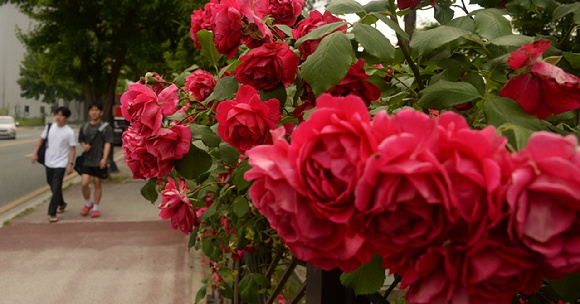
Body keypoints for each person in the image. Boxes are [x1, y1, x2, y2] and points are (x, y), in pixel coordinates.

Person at [31, 107, 76, 223]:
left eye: (61, 115)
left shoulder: (69, 132)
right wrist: (35, 153)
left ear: (66, 118)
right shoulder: (50, 127)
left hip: (61, 164)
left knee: (56, 188)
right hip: (48, 161)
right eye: (57, 114)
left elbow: (72, 149)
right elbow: (41, 141)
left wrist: (70, 164)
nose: (58, 117)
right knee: (52, 185)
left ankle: (52, 212)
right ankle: (61, 203)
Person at [78, 102, 113, 218]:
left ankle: (96, 208)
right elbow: (81, 139)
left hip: (99, 160)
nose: (94, 112)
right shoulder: (85, 126)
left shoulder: (106, 127)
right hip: (87, 160)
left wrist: (104, 158)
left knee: (98, 184)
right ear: (89, 112)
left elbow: (108, 143)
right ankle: (88, 203)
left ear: (101, 112)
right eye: (92, 110)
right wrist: (84, 146)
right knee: (85, 183)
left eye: (97, 110)